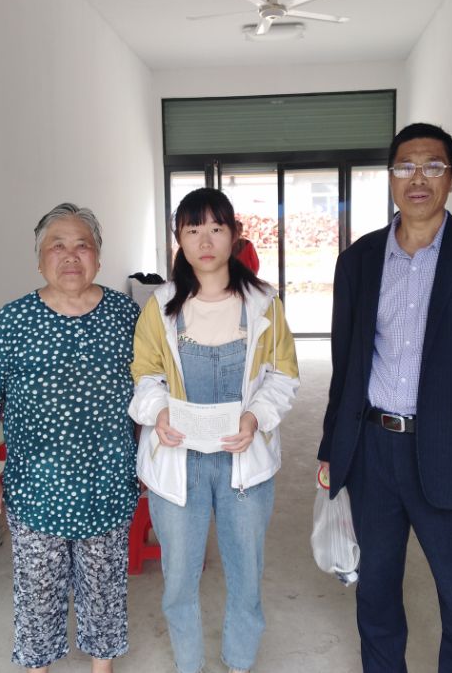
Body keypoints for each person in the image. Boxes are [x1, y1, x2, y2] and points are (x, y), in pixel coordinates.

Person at [318, 123, 452, 672]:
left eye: (432, 166)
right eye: (405, 166)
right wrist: (331, 447)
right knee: (375, 593)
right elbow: (347, 365)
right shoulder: (358, 260)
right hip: (373, 452)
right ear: (390, 177)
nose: (418, 178)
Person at [129, 188, 299, 673]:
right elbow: (145, 374)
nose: (205, 241)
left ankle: (239, 660)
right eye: (193, 230)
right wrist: (158, 413)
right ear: (179, 239)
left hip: (243, 461)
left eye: (216, 228)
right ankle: (189, 663)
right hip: (177, 458)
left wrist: (255, 417)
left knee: (246, 574)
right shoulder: (161, 306)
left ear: (234, 235)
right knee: (179, 578)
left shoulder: (264, 304)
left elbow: (284, 375)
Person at [0, 203, 140, 673]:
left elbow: (153, 389)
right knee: (38, 591)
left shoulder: (126, 316)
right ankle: (38, 666)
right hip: (35, 488)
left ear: (98, 257)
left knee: (104, 587)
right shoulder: (12, 321)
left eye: (83, 245)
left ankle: (101, 667)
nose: (70, 256)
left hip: (107, 483)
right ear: (39, 258)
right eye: (56, 246)